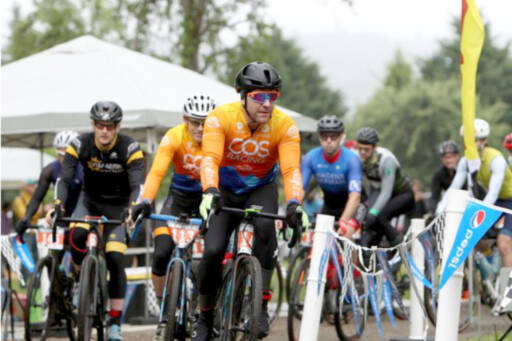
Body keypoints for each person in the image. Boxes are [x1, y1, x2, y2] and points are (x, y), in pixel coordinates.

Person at [193, 62, 309, 340]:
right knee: (213, 250)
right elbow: (210, 158)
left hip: (260, 188)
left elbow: (291, 170)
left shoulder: (285, 126)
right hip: (225, 189)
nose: (266, 103)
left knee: (267, 230)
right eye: (259, 96)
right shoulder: (221, 118)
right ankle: (205, 316)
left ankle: (261, 303)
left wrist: (294, 204)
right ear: (243, 96)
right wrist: (210, 190)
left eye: (272, 96)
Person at [52, 101, 145, 341]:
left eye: (110, 126)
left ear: (117, 127)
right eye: (100, 125)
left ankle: (114, 321)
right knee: (77, 235)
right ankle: (79, 278)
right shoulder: (79, 144)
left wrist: (133, 208)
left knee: (115, 257)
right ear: (93, 125)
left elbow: (138, 185)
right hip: (89, 202)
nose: (105, 131)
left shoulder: (130, 147)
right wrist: (59, 205)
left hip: (118, 207)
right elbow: (64, 178)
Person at [130, 94, 216, 341]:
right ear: (185, 120)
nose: (200, 128)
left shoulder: (219, 140)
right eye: (195, 122)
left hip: (206, 201)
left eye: (205, 123)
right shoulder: (174, 136)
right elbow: (157, 172)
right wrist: (145, 200)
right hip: (177, 199)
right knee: (161, 252)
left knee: (211, 256)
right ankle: (164, 306)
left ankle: (205, 306)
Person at [437, 119, 512, 290]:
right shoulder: (466, 161)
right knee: (473, 236)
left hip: (508, 200)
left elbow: (493, 192)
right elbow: (454, 187)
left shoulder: (496, 159)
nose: (469, 144)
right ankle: (490, 272)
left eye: (475, 140)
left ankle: (509, 292)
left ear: (484, 141)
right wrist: (440, 211)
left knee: (504, 243)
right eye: (466, 140)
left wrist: (481, 213)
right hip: (495, 200)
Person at [301, 115, 363, 237]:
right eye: (324, 137)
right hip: (329, 204)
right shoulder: (311, 157)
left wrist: (344, 221)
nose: (328, 140)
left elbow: (355, 196)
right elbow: (300, 189)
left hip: (353, 204)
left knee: (347, 238)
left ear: (340, 137)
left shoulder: (351, 159)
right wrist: (293, 209)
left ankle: (351, 255)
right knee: (319, 238)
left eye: (333, 137)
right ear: (319, 138)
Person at [15, 131, 83, 239]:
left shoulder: (83, 169)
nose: (63, 159)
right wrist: (26, 217)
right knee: (55, 251)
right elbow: (37, 198)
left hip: (82, 214)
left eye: (67, 154)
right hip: (62, 214)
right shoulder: (49, 170)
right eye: (60, 154)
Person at [356, 127, 414, 247]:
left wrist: (372, 212)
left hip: (403, 195)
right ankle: (375, 250)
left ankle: (399, 245)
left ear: (375, 147)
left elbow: (386, 192)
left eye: (366, 149)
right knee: (368, 220)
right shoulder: (358, 157)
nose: (362, 152)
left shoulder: (387, 160)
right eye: (360, 148)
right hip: (380, 192)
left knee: (378, 214)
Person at [430, 140, 461, 212]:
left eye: (450, 157)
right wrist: (432, 212)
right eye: (445, 158)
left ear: (457, 156)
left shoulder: (463, 169)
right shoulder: (439, 174)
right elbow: (435, 196)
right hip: (450, 206)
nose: (448, 160)